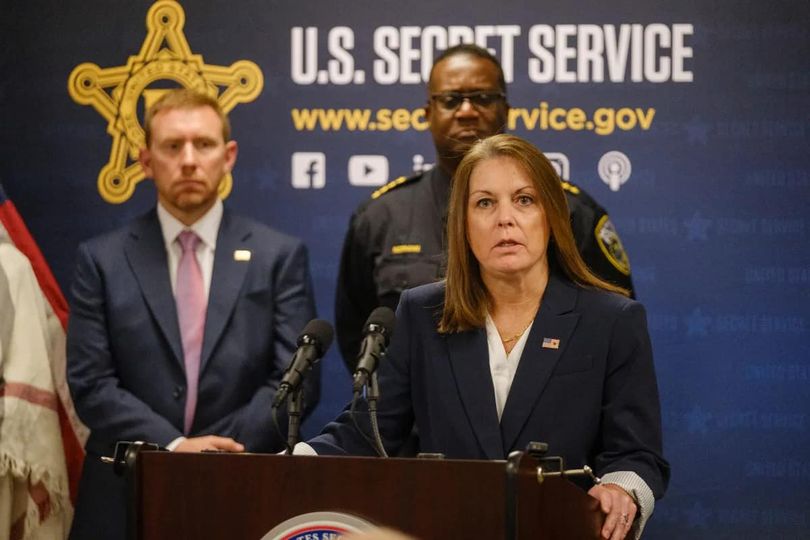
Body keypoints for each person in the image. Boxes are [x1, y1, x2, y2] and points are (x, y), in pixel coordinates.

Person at [308, 135, 668, 539]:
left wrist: (622, 488)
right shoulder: (422, 312)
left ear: (551, 216)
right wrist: (286, 461)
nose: (504, 218)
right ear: (462, 224)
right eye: (484, 203)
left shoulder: (612, 320)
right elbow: (365, 434)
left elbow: (636, 454)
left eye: (524, 200)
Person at [66, 89, 318, 539]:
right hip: (124, 493)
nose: (188, 160)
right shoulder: (101, 260)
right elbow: (91, 383)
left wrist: (215, 455)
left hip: (241, 488)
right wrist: (175, 446)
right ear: (145, 160)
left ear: (229, 156)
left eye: (203, 144)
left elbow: (296, 381)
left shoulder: (278, 257)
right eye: (171, 146)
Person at [336, 43, 633, 372]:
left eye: (482, 98)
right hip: (416, 405)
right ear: (427, 114)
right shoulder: (381, 217)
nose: (466, 111)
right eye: (450, 100)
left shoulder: (567, 210)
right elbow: (358, 336)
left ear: (506, 111)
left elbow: (612, 326)